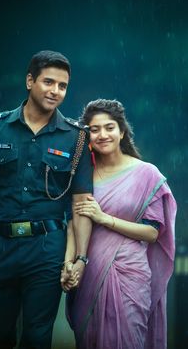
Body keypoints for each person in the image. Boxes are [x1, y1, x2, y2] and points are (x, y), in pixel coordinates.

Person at [0, 50, 93, 349]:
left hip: (47, 248)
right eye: (48, 82)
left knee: (37, 338)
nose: (55, 91)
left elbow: (81, 203)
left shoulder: (76, 138)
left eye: (62, 86)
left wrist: (79, 258)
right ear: (29, 81)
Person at [66, 99, 176, 349]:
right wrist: (70, 263)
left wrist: (104, 218)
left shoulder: (147, 174)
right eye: (94, 129)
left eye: (109, 127)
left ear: (122, 131)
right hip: (88, 271)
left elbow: (152, 233)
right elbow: (72, 224)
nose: (102, 135)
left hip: (130, 273)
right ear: (86, 135)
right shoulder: (81, 177)